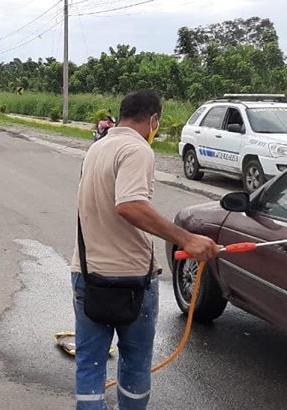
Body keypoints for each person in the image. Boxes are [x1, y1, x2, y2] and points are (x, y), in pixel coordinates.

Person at [72, 90, 218, 409]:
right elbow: (130, 205)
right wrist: (186, 239)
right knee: (135, 363)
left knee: (90, 365)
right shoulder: (137, 149)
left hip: (87, 273)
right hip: (130, 280)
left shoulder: (97, 147)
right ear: (153, 120)